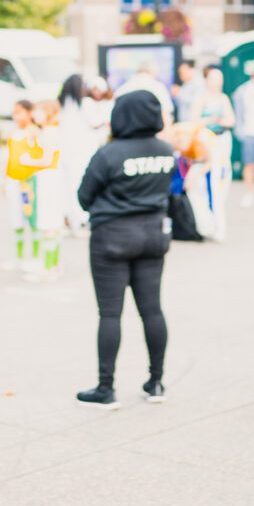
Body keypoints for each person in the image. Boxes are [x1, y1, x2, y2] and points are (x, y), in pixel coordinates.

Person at [74, 90, 175, 409]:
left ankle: (106, 388)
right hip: (152, 236)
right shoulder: (166, 151)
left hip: (111, 239)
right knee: (152, 310)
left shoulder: (109, 153)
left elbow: (84, 196)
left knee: (110, 313)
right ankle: (155, 382)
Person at [190, 66, 236, 240]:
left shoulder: (223, 98)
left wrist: (221, 121)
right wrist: (211, 120)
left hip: (222, 142)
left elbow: (231, 120)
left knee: (222, 181)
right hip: (208, 143)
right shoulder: (200, 98)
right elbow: (195, 121)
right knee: (211, 184)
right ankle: (212, 223)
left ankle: (215, 222)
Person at [3, 99, 47, 271]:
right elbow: (9, 158)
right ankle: (19, 258)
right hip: (13, 180)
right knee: (16, 220)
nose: (16, 116)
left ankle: (36, 257)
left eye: (19, 112)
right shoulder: (14, 134)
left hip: (28, 182)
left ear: (30, 112)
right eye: (14, 112)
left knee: (32, 218)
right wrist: (4, 179)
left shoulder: (34, 133)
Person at [28, 99, 66, 280]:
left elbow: (46, 160)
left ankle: (49, 268)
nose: (34, 115)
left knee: (48, 224)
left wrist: (27, 161)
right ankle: (54, 266)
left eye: (38, 111)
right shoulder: (50, 131)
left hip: (48, 178)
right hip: (52, 178)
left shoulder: (50, 133)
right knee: (53, 224)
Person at [59, 74, 102, 232]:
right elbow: (95, 122)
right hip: (83, 151)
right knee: (80, 183)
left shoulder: (63, 105)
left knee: (67, 185)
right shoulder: (86, 104)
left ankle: (69, 217)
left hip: (66, 151)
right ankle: (81, 218)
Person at [231, 66, 254, 208]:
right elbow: (238, 112)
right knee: (249, 164)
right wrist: (240, 131)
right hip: (249, 132)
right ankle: (249, 194)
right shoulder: (243, 91)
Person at [172, 59, 203, 123]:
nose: (180, 76)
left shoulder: (199, 83)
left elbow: (196, 102)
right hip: (184, 122)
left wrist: (179, 93)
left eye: (182, 73)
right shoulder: (186, 83)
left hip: (192, 122)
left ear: (190, 70)